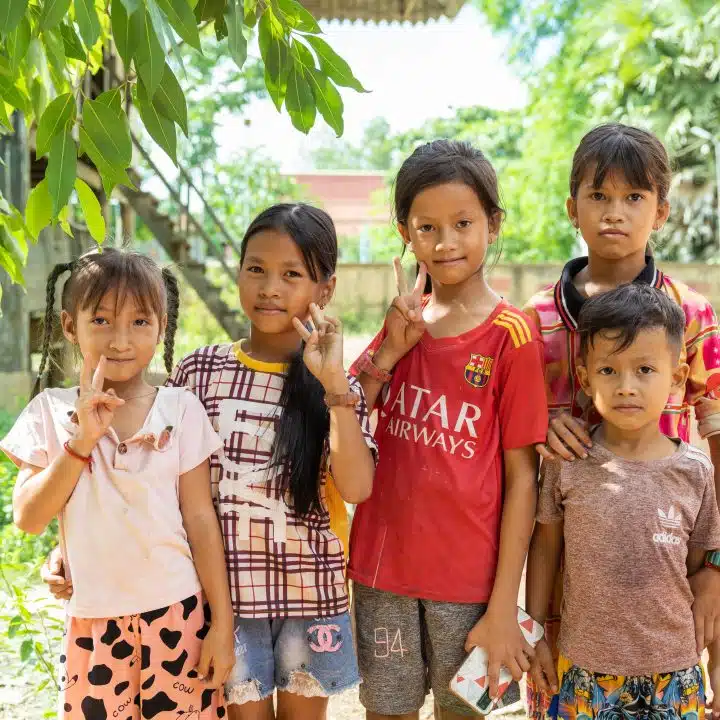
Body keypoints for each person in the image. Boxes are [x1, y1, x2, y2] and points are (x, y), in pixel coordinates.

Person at [42, 204, 377, 720]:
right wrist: (70, 549)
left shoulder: (336, 382)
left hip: (310, 594)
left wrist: (333, 386)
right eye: (256, 269)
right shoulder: (200, 371)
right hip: (226, 600)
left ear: (324, 290)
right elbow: (154, 484)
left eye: (292, 275)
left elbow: (355, 487)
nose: (270, 287)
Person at [523, 123, 720, 720]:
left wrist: (715, 565)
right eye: (599, 196)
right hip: (568, 569)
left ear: (660, 211)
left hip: (672, 565)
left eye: (634, 198)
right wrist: (539, 427)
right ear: (571, 207)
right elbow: (509, 440)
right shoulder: (532, 322)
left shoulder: (693, 314)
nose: (615, 213)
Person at [349, 139, 548, 719]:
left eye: (463, 223)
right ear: (405, 233)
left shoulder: (513, 335)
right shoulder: (403, 323)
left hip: (470, 585)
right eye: (426, 226)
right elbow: (349, 411)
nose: (445, 242)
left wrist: (504, 607)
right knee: (386, 712)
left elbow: (523, 480)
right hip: (382, 571)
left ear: (493, 223)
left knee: (463, 714)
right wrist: (389, 347)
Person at [2, 248, 233, 719]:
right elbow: (27, 518)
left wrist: (222, 624)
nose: (121, 340)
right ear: (70, 326)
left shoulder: (181, 409)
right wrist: (80, 441)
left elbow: (200, 520)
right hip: (92, 623)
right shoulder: (50, 412)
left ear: (162, 326)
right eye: (103, 320)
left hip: (178, 616)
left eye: (140, 322)